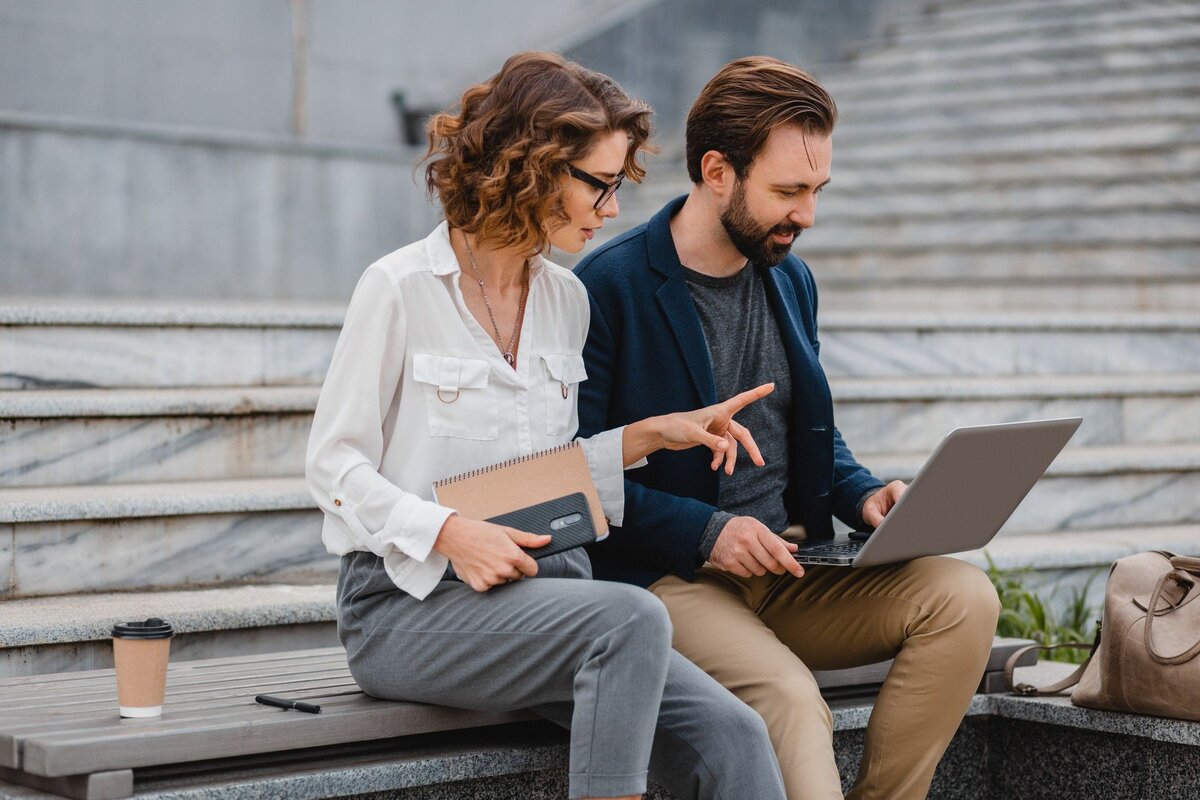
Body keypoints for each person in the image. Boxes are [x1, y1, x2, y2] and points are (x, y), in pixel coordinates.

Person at [305, 52, 787, 800]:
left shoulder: (566, 300)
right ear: (530, 169)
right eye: (599, 184)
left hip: (545, 598)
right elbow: (333, 468)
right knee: (631, 619)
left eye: (620, 186)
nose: (612, 209)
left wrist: (648, 438)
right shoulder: (399, 289)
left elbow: (540, 482)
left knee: (735, 736)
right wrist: (448, 532)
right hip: (406, 608)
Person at [575, 56, 1002, 800]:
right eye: (788, 191)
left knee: (964, 599)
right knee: (790, 698)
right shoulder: (608, 287)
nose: (807, 215)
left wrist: (867, 497)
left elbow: (805, 433)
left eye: (816, 191)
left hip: (792, 569)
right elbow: (575, 475)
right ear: (717, 172)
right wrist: (710, 533)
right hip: (673, 578)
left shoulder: (789, 275)